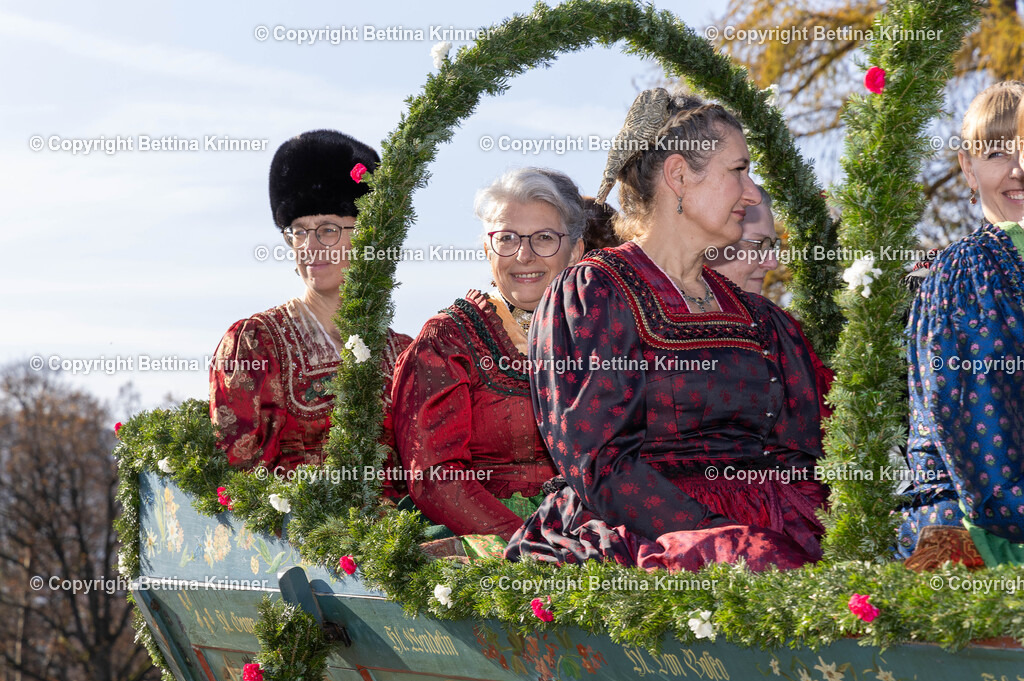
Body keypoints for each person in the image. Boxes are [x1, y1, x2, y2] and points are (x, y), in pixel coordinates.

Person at [504, 89, 833, 573]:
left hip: (769, 518)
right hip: (643, 528)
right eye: (738, 171)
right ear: (679, 175)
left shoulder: (759, 318)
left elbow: (806, 451)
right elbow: (602, 463)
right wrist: (718, 532)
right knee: (767, 563)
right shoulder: (595, 293)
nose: (753, 193)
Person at [390, 168, 585, 550]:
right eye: (507, 239)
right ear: (486, 250)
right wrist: (533, 546)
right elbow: (434, 477)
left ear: (576, 250)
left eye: (544, 238)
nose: (523, 255)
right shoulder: (446, 340)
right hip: (486, 536)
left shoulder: (604, 335)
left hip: (592, 530)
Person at [209, 130, 412, 474]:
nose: (311, 246)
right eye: (299, 231)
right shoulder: (256, 345)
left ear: (369, 236)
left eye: (329, 230)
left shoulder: (404, 355)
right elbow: (239, 480)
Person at [896, 81, 1024, 569]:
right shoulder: (966, 273)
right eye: (996, 153)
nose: (1019, 169)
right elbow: (986, 458)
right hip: (979, 525)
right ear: (968, 170)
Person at [706, 186, 780, 294]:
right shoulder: (676, 308)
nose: (773, 263)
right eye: (758, 245)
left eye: (771, 246)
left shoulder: (763, 309)